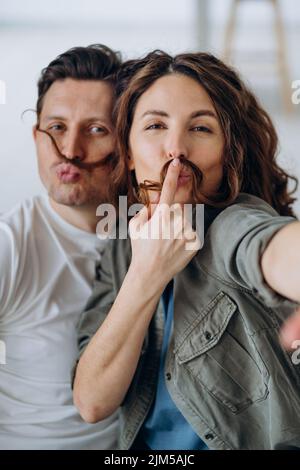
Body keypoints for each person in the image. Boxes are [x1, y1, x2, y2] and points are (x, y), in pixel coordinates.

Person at [73, 50, 300, 450]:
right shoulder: (120, 245)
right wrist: (147, 272)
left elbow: (276, 250)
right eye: (156, 125)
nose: (176, 149)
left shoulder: (235, 224)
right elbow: (92, 402)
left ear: (228, 153)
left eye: (201, 129)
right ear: (127, 155)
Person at [0, 44, 121, 449]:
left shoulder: (153, 232)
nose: (70, 150)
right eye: (55, 127)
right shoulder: (11, 247)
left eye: (96, 129)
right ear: (36, 136)